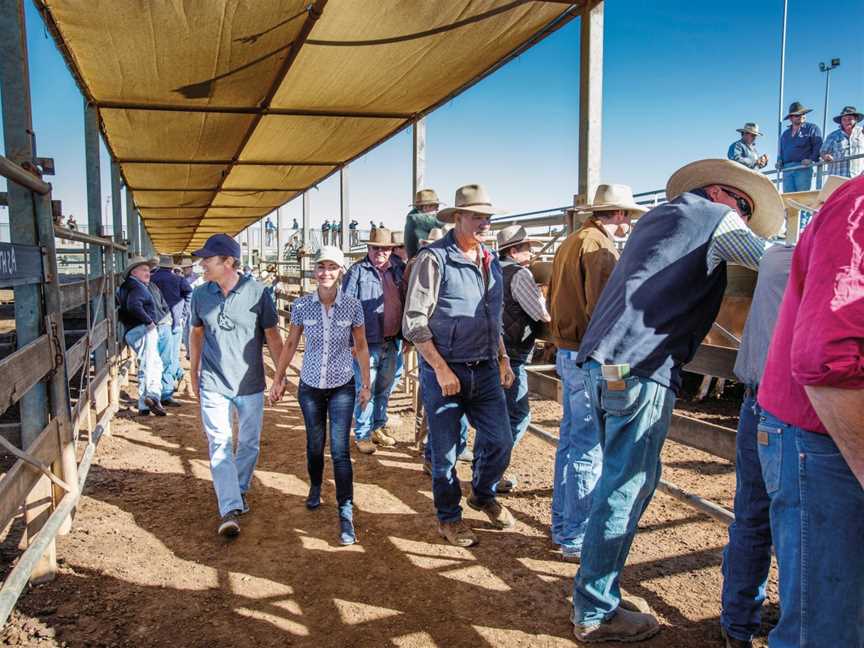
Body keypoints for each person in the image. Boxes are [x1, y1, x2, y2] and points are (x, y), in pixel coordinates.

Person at [570, 159, 784, 643]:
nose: (744, 217)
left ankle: (597, 592)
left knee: (617, 481)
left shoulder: (657, 219)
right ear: (722, 193)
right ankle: (594, 610)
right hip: (642, 366)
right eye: (744, 206)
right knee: (627, 486)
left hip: (605, 366)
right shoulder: (717, 218)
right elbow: (771, 259)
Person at [756, 175, 864, 648]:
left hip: (795, 413)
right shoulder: (855, 207)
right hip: (820, 432)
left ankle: (738, 621)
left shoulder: (780, 251)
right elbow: (827, 360)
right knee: (827, 622)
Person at [403, 183, 516, 547]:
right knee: (445, 451)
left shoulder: (489, 260)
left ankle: (482, 493)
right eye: (477, 216)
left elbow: (492, 316)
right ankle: (448, 519)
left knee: (501, 441)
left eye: (488, 217)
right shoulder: (434, 259)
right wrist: (439, 367)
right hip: (446, 370)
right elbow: (414, 320)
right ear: (458, 218)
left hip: (483, 367)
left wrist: (503, 357)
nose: (484, 223)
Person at [548, 184, 647, 561]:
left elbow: (554, 295)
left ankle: (563, 526)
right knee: (590, 445)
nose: (628, 225)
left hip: (568, 349)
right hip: (593, 356)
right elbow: (607, 313)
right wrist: (619, 368)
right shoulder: (601, 248)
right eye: (628, 217)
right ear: (618, 215)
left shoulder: (572, 241)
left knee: (572, 440)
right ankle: (576, 535)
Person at [719, 244, 794, 648]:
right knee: (801, 529)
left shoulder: (776, 257)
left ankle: (737, 623)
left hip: (757, 398)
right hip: (801, 408)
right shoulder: (824, 258)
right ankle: (796, 631)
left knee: (751, 515)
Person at [270, 246, 371, 546]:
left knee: (340, 449)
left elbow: (362, 344)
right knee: (315, 444)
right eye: (321, 267)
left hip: (342, 384)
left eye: (332, 267)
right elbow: (290, 344)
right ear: (314, 271)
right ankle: (315, 486)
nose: (326, 272)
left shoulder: (352, 306)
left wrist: (366, 383)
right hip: (311, 385)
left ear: (341, 271)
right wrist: (278, 378)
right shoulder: (301, 306)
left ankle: (345, 511)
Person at [188, 234, 284, 537]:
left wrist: (279, 376)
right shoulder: (201, 295)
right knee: (219, 443)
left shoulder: (258, 293)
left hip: (251, 383)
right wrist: (193, 371)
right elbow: (197, 334)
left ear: (228, 262)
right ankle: (229, 506)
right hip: (214, 382)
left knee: (249, 443)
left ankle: (237, 490)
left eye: (208, 259)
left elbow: (272, 337)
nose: (202, 264)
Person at [400, 226, 473, 474]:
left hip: (438, 340)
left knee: (442, 399)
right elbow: (412, 305)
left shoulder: (423, 262)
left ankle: (442, 446)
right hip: (431, 340)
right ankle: (430, 448)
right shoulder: (422, 263)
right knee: (435, 398)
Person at [496, 225, 551, 493]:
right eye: (527, 248)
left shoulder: (491, 270)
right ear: (514, 251)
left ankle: (489, 467)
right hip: (513, 352)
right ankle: (493, 469)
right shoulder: (520, 275)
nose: (531, 254)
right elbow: (541, 314)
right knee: (518, 414)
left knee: (497, 412)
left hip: (493, 350)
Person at [342, 227, 404, 454]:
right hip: (366, 342)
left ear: (390, 250)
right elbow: (346, 306)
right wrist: (350, 341)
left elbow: (405, 300)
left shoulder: (398, 269)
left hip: (391, 339)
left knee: (385, 387)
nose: (381, 252)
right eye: (376, 248)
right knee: (365, 386)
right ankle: (362, 434)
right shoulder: (357, 271)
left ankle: (378, 427)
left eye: (385, 248)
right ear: (368, 248)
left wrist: (406, 336)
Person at [117, 256, 167, 416]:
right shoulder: (137, 287)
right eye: (144, 270)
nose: (148, 273)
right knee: (150, 364)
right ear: (134, 271)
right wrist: (149, 321)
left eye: (149, 270)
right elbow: (134, 305)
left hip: (133, 329)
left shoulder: (128, 286)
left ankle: (149, 400)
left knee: (151, 363)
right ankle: (148, 398)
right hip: (141, 329)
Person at [150, 255, 192, 405]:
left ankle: (155, 389)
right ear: (171, 266)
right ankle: (167, 391)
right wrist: (184, 313)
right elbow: (189, 294)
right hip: (174, 320)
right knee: (171, 356)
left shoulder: (151, 279)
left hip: (153, 323)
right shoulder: (178, 279)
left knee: (154, 357)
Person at [777, 101, 822, 193]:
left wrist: (811, 159)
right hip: (787, 169)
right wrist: (779, 161)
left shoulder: (812, 128)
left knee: (802, 197)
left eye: (803, 113)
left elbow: (818, 146)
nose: (801, 116)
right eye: (797, 115)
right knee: (788, 199)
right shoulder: (785, 134)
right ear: (791, 118)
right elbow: (781, 151)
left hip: (803, 167)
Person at [820, 105, 864, 178]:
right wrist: (825, 156)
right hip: (838, 176)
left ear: (856, 119)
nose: (846, 122)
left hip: (858, 177)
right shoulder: (832, 136)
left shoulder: (862, 133)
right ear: (841, 121)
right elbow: (823, 151)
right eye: (844, 119)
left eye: (850, 119)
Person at [404, 189, 444, 258]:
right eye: (435, 206)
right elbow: (444, 221)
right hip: (420, 261)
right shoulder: (415, 218)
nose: (437, 210)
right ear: (425, 207)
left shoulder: (413, 216)